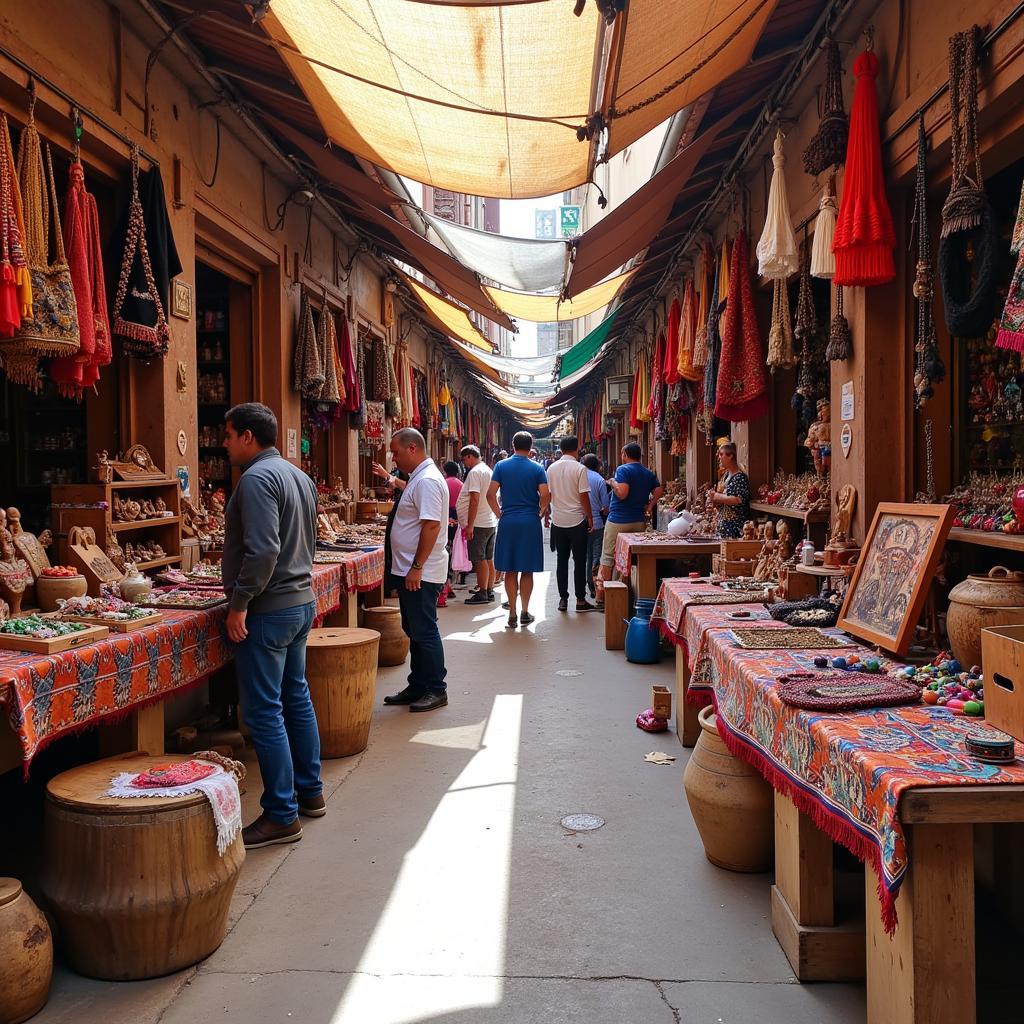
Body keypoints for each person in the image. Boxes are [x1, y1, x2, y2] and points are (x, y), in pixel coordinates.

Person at [221, 402, 322, 849]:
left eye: (227, 436)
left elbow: (262, 551)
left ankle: (282, 813)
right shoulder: (297, 475)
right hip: (299, 601)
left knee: (265, 711)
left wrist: (240, 602)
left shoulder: (258, 479)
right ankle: (310, 792)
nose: (223, 445)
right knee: (294, 696)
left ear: (247, 437)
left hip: (269, 608)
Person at [383, 428, 450, 712]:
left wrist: (417, 567)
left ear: (412, 449)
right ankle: (419, 684)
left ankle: (436, 688)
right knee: (414, 627)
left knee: (424, 629)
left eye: (396, 452)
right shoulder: (419, 478)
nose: (393, 458)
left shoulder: (427, 481)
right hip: (411, 569)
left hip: (420, 571)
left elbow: (431, 525)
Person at [488, 431, 550, 629]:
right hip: (530, 521)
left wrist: (499, 513)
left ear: (513, 445)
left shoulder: (501, 466)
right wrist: (540, 511)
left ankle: (512, 613)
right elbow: (546, 494)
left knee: (510, 568)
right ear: (530, 446)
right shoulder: (538, 468)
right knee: (527, 569)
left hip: (508, 520)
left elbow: (490, 494)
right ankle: (525, 611)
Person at [597, 442, 664, 597]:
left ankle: (602, 596)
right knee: (631, 557)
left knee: (608, 556)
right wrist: (650, 505)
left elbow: (622, 493)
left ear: (625, 454)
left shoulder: (623, 469)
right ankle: (627, 593)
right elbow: (659, 489)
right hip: (638, 521)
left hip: (618, 520)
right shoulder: (647, 472)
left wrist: (612, 482)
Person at [545, 436, 596, 613]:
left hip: (558, 521)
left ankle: (563, 599)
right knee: (580, 561)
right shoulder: (580, 468)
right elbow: (584, 496)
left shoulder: (551, 468)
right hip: (577, 521)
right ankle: (580, 600)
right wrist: (590, 517)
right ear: (577, 448)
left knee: (561, 560)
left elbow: (548, 495)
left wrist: (546, 514)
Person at [457, 444, 498, 605]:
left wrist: (470, 525)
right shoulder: (488, 470)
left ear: (469, 456)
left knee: (479, 559)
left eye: (464, 459)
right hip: (488, 521)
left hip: (479, 523)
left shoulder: (475, 472)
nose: (464, 463)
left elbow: (474, 499)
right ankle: (488, 590)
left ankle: (482, 593)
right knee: (487, 558)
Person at [582, 453, 609, 598]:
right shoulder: (599, 479)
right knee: (596, 556)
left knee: (585, 556)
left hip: (579, 522)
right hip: (597, 523)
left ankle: (586, 585)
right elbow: (606, 507)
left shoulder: (577, 476)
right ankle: (595, 588)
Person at [710, 441, 750, 538]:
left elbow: (739, 500)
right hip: (723, 525)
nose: (719, 457)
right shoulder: (726, 475)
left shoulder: (740, 477)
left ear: (730, 456)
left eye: (721, 454)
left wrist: (718, 496)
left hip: (734, 527)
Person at [439, 461, 463, 606]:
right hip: (457, 518)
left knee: (444, 551)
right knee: (453, 551)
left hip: (444, 517)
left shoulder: (443, 483)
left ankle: (446, 585)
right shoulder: (461, 484)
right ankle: (451, 582)